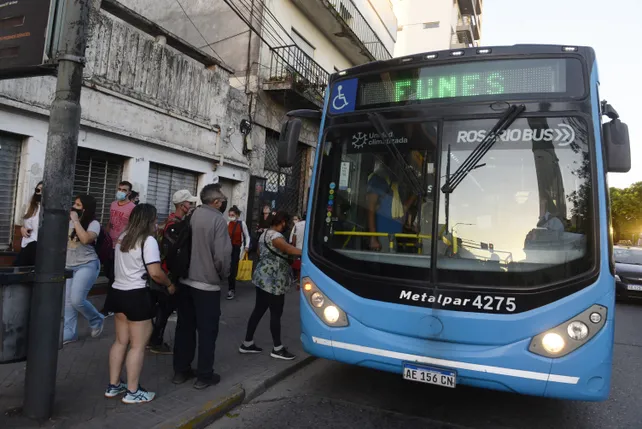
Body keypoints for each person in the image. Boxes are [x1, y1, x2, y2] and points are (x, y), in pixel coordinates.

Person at [104, 204, 176, 404]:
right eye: (154, 219)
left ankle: (113, 385)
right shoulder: (148, 240)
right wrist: (169, 284)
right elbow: (155, 272)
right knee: (137, 346)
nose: (156, 223)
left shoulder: (123, 237)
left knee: (120, 341)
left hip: (117, 292)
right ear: (149, 220)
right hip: (136, 295)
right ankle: (133, 391)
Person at [173, 185, 231, 390]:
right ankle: (204, 375)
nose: (224, 202)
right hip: (207, 285)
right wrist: (222, 275)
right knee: (207, 332)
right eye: (223, 199)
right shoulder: (218, 221)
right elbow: (222, 257)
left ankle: (181, 371)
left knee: (184, 328)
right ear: (216, 202)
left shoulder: (192, 215)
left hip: (185, 281)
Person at [239, 211, 301, 361]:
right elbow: (289, 250)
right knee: (276, 313)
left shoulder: (264, 234)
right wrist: (308, 252)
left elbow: (260, 253)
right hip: (274, 281)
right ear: (282, 222)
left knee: (259, 310)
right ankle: (278, 348)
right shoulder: (276, 237)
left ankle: (247, 343)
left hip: (261, 277)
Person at [148, 189, 197, 354]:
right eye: (189, 203)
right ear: (183, 206)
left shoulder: (167, 222)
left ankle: (153, 337)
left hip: (164, 270)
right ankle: (156, 340)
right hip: (168, 273)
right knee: (165, 307)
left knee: (164, 307)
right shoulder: (175, 225)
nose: (191, 206)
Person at [63, 195, 104, 344]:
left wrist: (75, 221)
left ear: (85, 209)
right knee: (68, 302)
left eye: (78, 205)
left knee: (77, 300)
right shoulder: (67, 222)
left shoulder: (93, 224)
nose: (74, 207)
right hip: (68, 266)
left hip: (87, 264)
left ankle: (96, 318)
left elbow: (86, 239)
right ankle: (69, 333)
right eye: (74, 203)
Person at [101, 181, 136, 317]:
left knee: (114, 277)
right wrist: (106, 235)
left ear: (129, 193)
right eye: (119, 189)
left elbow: (132, 226)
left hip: (121, 247)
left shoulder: (132, 207)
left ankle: (109, 307)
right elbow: (110, 221)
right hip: (110, 245)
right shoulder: (113, 204)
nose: (121, 191)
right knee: (109, 274)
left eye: (124, 190)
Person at [366, 157, 416, 251]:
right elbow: (371, 208)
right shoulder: (378, 179)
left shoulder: (394, 185)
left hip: (393, 236)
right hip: (382, 236)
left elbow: (402, 209)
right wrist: (373, 238)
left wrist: (415, 194)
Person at [14, 181, 43, 266]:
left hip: (37, 246)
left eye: (43, 190)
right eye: (38, 190)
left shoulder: (47, 208)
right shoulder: (31, 206)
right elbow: (25, 223)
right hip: (26, 244)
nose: (40, 193)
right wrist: (22, 229)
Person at [227, 205, 251, 300]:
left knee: (233, 268)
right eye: (229, 215)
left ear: (237, 215)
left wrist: (247, 246)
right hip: (228, 247)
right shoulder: (227, 223)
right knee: (228, 267)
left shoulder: (242, 224)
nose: (230, 216)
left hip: (237, 248)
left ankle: (231, 289)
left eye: (232, 215)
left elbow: (247, 236)